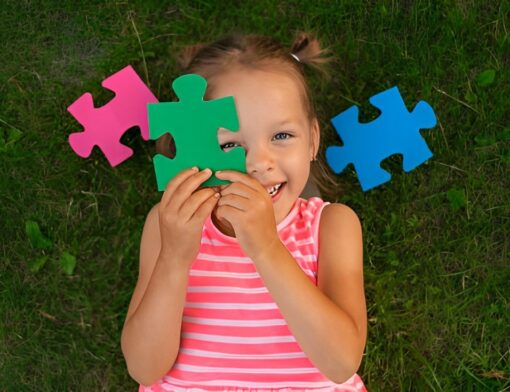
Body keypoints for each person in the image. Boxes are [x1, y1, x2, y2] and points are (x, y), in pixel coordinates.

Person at [121, 32, 367, 391]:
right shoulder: (170, 224)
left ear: (313, 139)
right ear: (193, 150)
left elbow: (341, 363)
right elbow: (144, 368)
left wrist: (266, 247)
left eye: (282, 136)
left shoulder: (331, 225)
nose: (258, 163)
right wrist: (174, 258)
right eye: (231, 144)